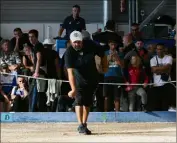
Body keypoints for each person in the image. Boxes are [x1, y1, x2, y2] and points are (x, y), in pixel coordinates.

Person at [64, 31, 105, 134]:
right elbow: (70, 73)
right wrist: (73, 89)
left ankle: (84, 124)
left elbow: (103, 54)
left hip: (92, 78)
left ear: (82, 41)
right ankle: (80, 124)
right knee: (79, 101)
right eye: (75, 42)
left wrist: (105, 66)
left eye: (79, 42)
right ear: (71, 42)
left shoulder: (90, 44)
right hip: (78, 79)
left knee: (87, 102)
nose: (77, 44)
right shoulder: (69, 52)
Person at [147, 43, 176, 111]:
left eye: (160, 49)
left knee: (171, 90)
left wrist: (158, 70)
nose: (159, 51)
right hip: (157, 85)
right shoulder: (153, 59)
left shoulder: (169, 57)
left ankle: (173, 106)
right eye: (157, 49)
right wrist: (164, 70)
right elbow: (154, 70)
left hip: (166, 83)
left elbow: (168, 68)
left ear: (164, 49)